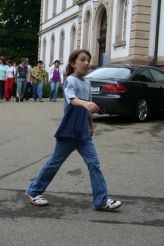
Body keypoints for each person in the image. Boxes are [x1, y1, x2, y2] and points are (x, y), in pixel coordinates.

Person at [25, 49, 122, 211]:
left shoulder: (87, 83)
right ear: (73, 64)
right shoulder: (70, 80)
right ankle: (33, 191)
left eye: (88, 60)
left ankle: (100, 200)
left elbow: (88, 110)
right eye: (82, 60)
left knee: (94, 164)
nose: (86, 63)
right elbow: (70, 98)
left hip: (83, 133)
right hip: (69, 132)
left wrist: (90, 125)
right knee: (54, 163)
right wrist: (84, 103)